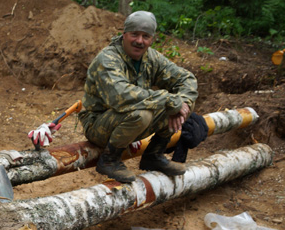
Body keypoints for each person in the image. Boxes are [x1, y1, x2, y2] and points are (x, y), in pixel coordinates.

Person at [31, 11, 198, 184]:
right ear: (124, 34)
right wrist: (169, 100)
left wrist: (181, 104)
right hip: (99, 124)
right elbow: (121, 96)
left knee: (184, 105)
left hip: (130, 122)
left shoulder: (152, 58)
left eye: (145, 36)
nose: (139, 41)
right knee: (144, 113)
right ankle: (109, 159)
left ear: (152, 39)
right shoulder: (108, 59)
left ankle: (154, 155)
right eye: (134, 34)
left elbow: (186, 79)